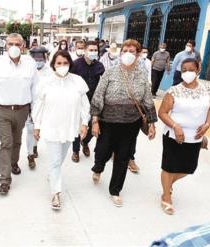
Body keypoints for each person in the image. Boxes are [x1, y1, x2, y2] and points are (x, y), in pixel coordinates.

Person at [90, 39, 157, 207]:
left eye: (132, 51)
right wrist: (95, 120)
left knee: (123, 156)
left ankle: (115, 190)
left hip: (130, 123)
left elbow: (148, 100)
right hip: (108, 122)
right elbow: (98, 96)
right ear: (120, 53)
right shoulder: (110, 72)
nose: (128, 53)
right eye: (125, 50)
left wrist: (151, 123)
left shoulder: (142, 76)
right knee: (102, 151)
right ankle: (98, 168)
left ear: (138, 54)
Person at [32, 50, 90, 210]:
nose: (62, 66)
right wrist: (37, 126)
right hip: (51, 127)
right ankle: (56, 193)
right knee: (56, 161)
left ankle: (52, 175)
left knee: (59, 159)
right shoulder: (45, 82)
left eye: (65, 63)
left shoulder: (77, 81)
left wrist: (84, 123)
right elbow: (39, 105)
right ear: (53, 65)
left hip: (70, 128)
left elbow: (85, 105)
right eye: (59, 63)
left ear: (70, 64)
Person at [0, 33, 38, 195]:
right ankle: (5, 180)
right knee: (6, 143)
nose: (14, 47)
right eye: (10, 44)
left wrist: (35, 112)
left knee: (17, 141)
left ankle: (14, 163)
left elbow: (35, 89)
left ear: (23, 46)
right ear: (5, 46)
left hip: (22, 110)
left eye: (17, 44)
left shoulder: (30, 64)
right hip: (1, 110)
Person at [158, 58, 210, 215]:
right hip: (174, 135)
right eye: (184, 69)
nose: (187, 73)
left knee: (189, 168)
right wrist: (175, 126)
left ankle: (168, 184)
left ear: (198, 70)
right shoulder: (174, 91)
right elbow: (162, 113)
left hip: (195, 136)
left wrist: (207, 124)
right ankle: (166, 196)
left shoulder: (206, 89)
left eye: (191, 69)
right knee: (169, 166)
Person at [70, 41, 105, 163]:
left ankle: (85, 142)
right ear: (85, 50)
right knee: (77, 125)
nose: (93, 52)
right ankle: (75, 150)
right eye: (91, 50)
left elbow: (104, 83)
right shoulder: (75, 65)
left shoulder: (100, 66)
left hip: (93, 100)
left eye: (95, 50)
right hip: (78, 99)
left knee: (91, 126)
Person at [27, 46, 52, 168]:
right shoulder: (27, 69)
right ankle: (30, 155)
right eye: (35, 58)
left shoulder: (50, 71)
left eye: (40, 58)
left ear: (45, 58)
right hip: (28, 105)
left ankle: (35, 145)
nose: (38, 60)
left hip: (42, 107)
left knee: (37, 130)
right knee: (30, 130)